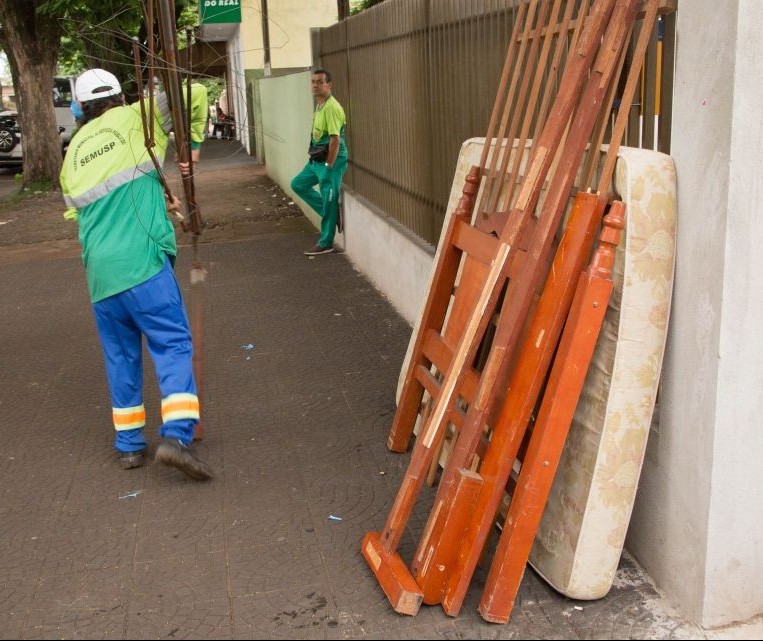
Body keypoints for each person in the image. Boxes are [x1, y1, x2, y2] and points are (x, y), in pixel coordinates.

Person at [59, 68, 213, 481]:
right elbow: (193, 88)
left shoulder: (72, 153)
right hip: (142, 265)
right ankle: (176, 438)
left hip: (100, 277)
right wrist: (190, 143)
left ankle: (128, 446)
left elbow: (91, 210)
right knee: (173, 344)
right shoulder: (137, 119)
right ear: (119, 96)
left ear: (81, 107)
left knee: (121, 356)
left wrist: (153, 189)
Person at [290, 68, 348, 256]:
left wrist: (329, 166)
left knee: (329, 196)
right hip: (317, 159)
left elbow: (335, 139)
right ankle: (330, 213)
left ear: (329, 85)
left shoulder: (332, 108)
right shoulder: (320, 104)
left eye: (319, 82)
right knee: (298, 184)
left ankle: (326, 242)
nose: (315, 85)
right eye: (313, 81)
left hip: (331, 160)